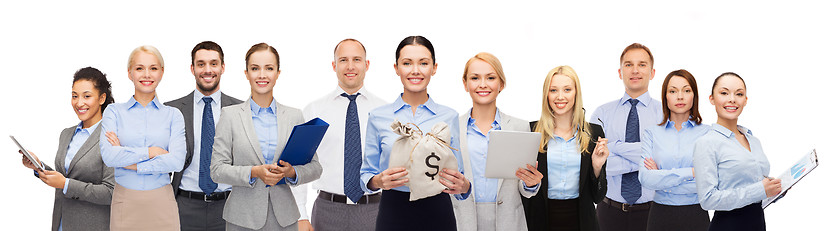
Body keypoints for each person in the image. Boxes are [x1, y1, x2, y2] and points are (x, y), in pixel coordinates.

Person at [359, 35, 471, 231]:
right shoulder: (378, 117)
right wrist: (378, 181)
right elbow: (366, 174)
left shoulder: (449, 116)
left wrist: (464, 187)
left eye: (423, 63)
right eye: (407, 63)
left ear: (434, 68)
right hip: (393, 211)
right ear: (396, 68)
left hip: (438, 212)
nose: (415, 70)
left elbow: (458, 174)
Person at [209, 42, 322, 231]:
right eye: (255, 68)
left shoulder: (294, 116)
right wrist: (254, 172)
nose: (262, 75)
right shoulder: (230, 116)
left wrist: (291, 172)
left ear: (278, 73)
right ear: (246, 73)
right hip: (242, 219)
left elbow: (315, 168)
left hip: (285, 219)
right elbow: (217, 170)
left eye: (269, 68)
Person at [291, 38, 387, 231]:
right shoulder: (314, 110)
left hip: (375, 210)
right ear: (334, 65)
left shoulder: (385, 112)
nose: (350, 66)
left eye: (357, 59)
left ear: (367, 65)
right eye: (343, 60)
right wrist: (301, 214)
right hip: (328, 210)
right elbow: (298, 165)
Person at [451, 52, 543, 231]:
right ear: (465, 84)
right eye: (475, 78)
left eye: (491, 77)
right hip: (463, 222)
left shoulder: (520, 127)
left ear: (501, 83)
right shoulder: (451, 129)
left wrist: (530, 183)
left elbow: (524, 189)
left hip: (509, 223)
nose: (483, 84)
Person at [99, 45, 187, 230]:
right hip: (125, 202)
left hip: (162, 202)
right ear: (130, 73)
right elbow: (109, 157)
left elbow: (177, 162)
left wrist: (130, 162)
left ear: (161, 73)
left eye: (153, 68)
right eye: (139, 68)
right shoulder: (114, 112)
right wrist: (152, 152)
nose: (147, 74)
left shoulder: (173, 115)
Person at [20, 67, 116, 231]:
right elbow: (65, 176)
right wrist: (38, 166)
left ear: (102, 98)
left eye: (87, 96)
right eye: (74, 96)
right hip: (62, 222)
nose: (79, 103)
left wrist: (66, 184)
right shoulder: (67, 134)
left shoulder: (112, 137)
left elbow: (111, 193)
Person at [165, 41, 243, 231]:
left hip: (229, 207)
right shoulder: (171, 110)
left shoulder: (241, 110)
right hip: (185, 206)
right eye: (201, 64)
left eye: (213, 63)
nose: (207, 70)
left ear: (223, 67)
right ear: (192, 69)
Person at [523, 65, 609, 231]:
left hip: (582, 222)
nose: (560, 96)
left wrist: (597, 167)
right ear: (546, 95)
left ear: (576, 93)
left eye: (567, 89)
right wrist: (529, 185)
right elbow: (522, 189)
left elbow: (598, 197)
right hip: (540, 221)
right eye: (553, 90)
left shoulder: (594, 132)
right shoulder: (531, 131)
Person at [693, 72, 780, 231]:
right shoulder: (706, 143)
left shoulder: (753, 140)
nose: (732, 99)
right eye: (724, 93)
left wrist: (773, 189)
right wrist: (760, 190)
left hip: (758, 224)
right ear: (712, 99)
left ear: (745, 100)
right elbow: (708, 200)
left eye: (739, 94)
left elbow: (754, 187)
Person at [590, 43, 662, 231]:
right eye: (629, 64)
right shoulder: (601, 113)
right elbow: (598, 164)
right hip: (608, 211)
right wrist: (646, 160)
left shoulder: (665, 114)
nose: (635, 70)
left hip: (654, 212)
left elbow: (665, 161)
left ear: (652, 72)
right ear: (620, 72)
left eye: (642, 64)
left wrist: (613, 147)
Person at [638, 69, 710, 231]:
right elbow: (645, 178)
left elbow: (711, 181)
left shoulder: (708, 133)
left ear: (694, 96)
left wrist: (662, 179)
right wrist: (692, 172)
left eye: (686, 90)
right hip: (660, 216)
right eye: (673, 91)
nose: (680, 96)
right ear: (665, 97)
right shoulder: (652, 133)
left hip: (696, 214)